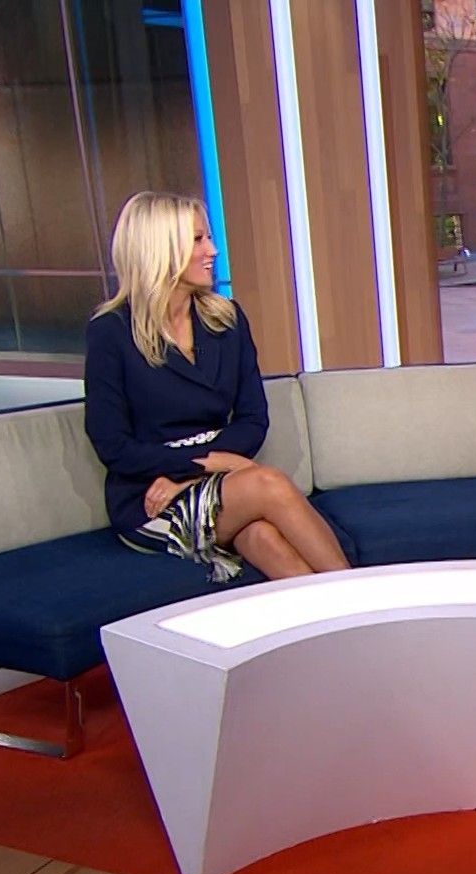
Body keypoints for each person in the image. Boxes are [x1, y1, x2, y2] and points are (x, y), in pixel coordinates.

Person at [84, 191, 349, 583]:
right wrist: (209, 464)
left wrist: (199, 473)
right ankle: (362, 596)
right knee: (269, 484)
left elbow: (253, 420)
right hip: (150, 499)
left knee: (262, 536)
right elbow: (113, 446)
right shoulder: (112, 332)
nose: (213, 250)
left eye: (208, 237)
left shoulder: (226, 320)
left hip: (215, 485)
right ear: (160, 249)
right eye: (198, 240)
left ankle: (337, 618)